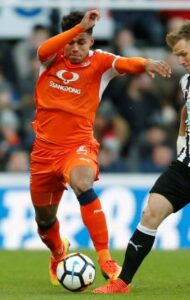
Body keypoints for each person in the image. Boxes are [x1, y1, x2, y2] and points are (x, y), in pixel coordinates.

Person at [30, 9, 171, 287]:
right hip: (44, 151)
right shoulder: (51, 58)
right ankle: (58, 250)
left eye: (82, 42)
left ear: (91, 42)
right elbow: (43, 48)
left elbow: (128, 63)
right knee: (44, 222)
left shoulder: (100, 62)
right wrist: (77, 29)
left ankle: (106, 259)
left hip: (77, 146)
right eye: (71, 41)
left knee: (83, 182)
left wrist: (148, 63)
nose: (75, 48)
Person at [93, 21, 190, 294]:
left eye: (184, 53)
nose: (180, 59)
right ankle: (123, 282)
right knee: (150, 212)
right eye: (178, 55)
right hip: (186, 166)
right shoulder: (185, 82)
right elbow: (185, 111)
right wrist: (181, 141)